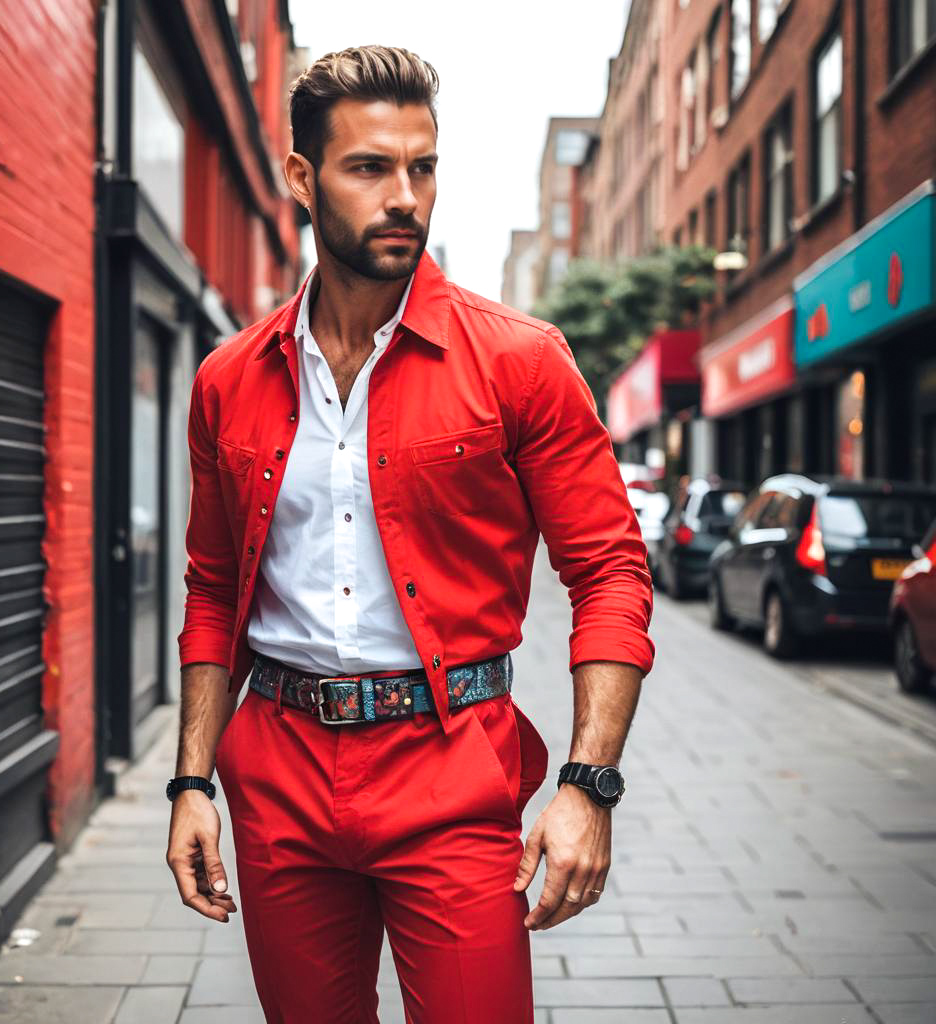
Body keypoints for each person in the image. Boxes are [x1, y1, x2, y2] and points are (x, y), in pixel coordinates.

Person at [166, 44, 654, 1024]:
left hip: (452, 769)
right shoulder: (228, 378)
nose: (404, 196)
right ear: (303, 178)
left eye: (421, 167)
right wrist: (192, 778)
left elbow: (607, 568)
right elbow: (214, 586)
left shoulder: (520, 360)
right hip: (282, 775)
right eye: (369, 168)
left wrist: (588, 784)